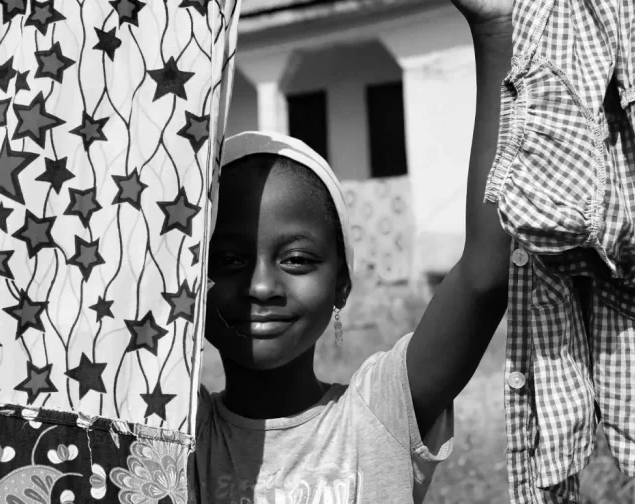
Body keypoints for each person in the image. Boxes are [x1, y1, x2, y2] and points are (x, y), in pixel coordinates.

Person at [190, 0, 514, 501]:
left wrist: (495, 28)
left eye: (296, 259)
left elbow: (485, 277)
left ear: (342, 283)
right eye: (228, 260)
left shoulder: (382, 412)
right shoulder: (177, 434)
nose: (260, 286)